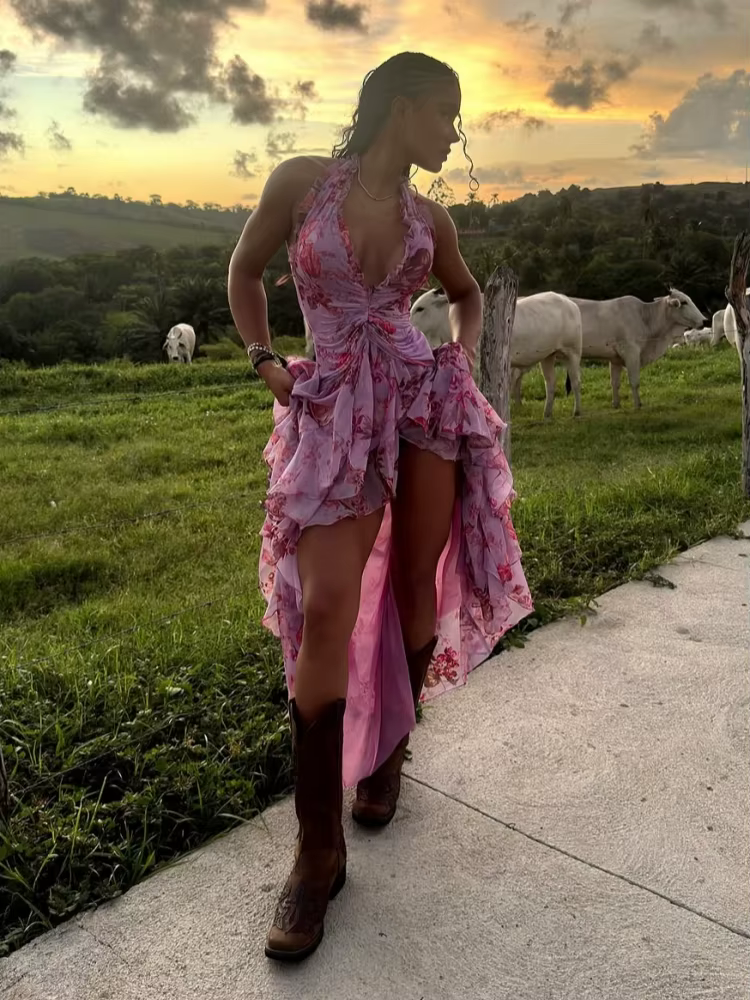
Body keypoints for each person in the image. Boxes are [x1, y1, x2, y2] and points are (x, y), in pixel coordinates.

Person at [228, 51, 533, 963]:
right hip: (332, 407)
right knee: (326, 605)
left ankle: (389, 758)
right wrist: (265, 361)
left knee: (412, 591)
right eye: (445, 113)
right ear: (400, 107)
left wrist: (459, 358)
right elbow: (244, 273)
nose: (454, 132)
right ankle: (317, 852)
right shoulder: (301, 185)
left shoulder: (430, 220)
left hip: (418, 399)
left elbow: (466, 296)